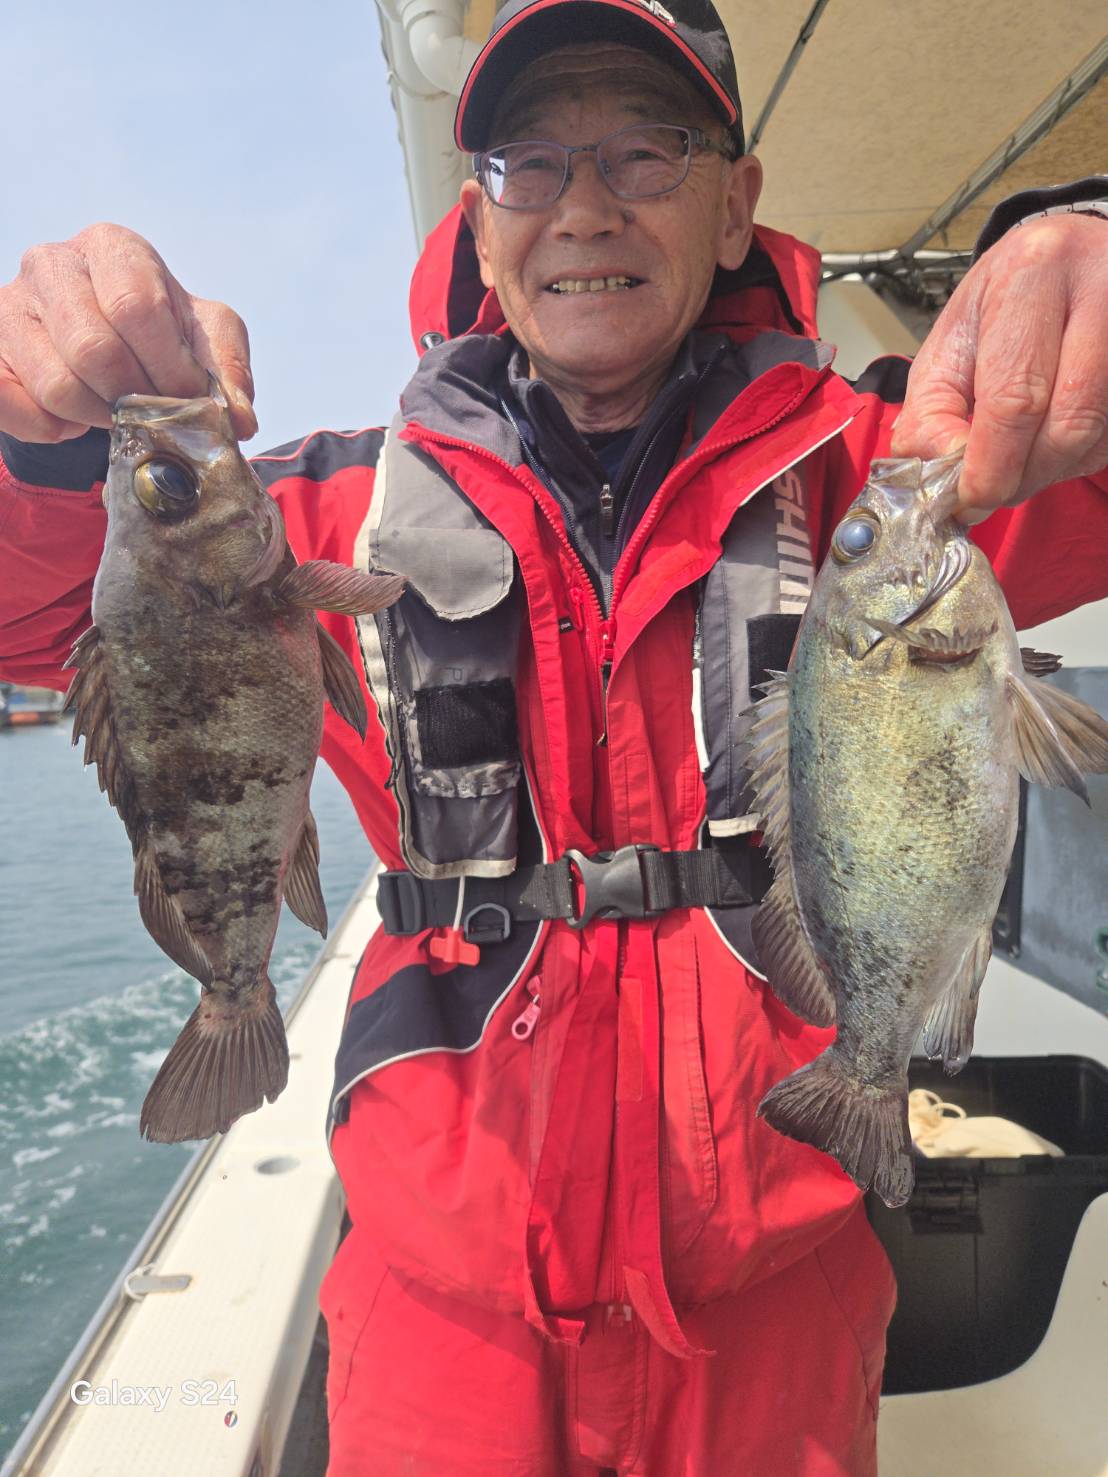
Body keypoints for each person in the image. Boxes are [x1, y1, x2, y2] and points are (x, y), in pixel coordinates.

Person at [1, 0, 1106, 1470]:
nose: (585, 205)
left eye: (646, 150)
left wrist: (1082, 247)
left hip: (782, 1318)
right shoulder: (312, 517)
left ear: (735, 206)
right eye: (531, 160)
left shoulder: (894, 487)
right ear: (479, 218)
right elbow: (36, 618)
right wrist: (37, 445)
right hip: (441, 1334)